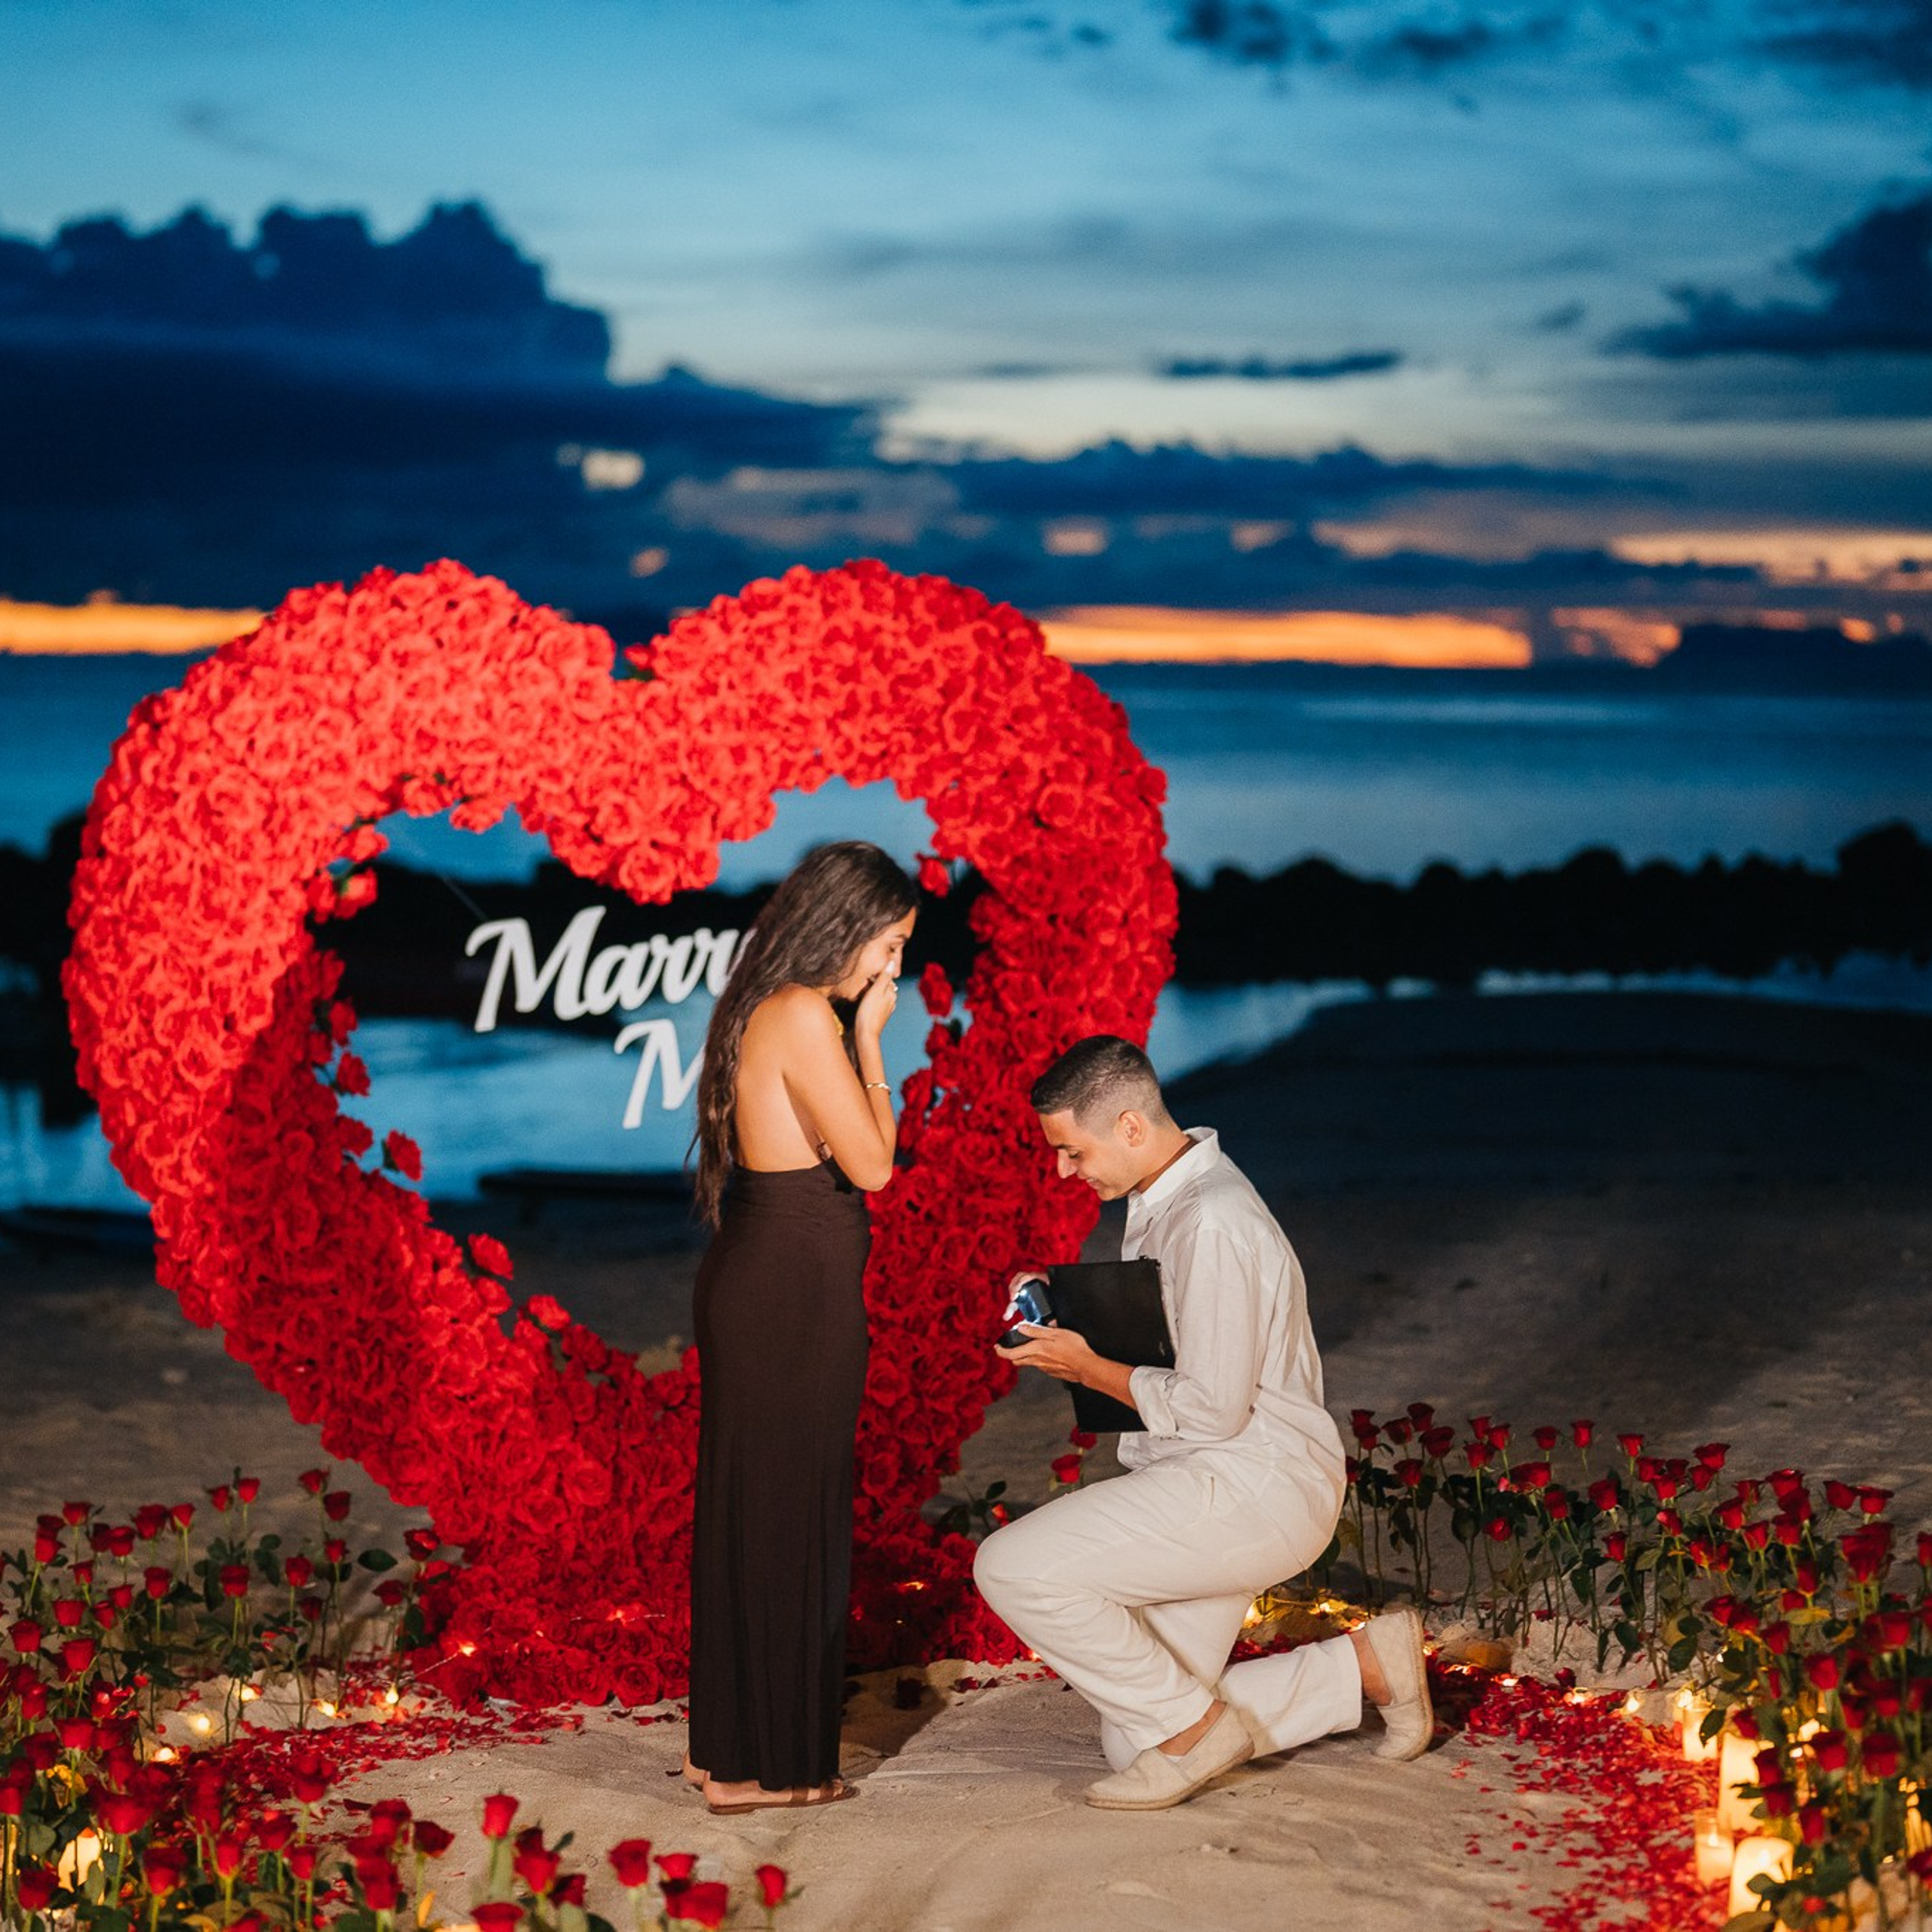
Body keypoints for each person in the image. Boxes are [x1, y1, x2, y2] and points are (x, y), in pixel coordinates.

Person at [974, 1035, 1432, 1810]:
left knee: (1010, 1567)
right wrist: (1059, 1296)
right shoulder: (1164, 1197)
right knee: (1134, 1735)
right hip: (1205, 1476)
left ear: (1127, 1126)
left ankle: (1198, 1731)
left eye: (1069, 1150)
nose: (1062, 1171)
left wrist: (1084, 1366)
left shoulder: (1210, 1218)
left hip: (1252, 1481)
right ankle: (1362, 1667)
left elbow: (1214, 1408)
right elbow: (1167, 1328)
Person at [682, 840, 916, 1815]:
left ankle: (727, 1752)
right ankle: (766, 1770)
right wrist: (871, 1040)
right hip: (790, 1292)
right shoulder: (806, 1018)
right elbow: (873, 1165)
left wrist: (858, 1034)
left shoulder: (761, 1006)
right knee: (788, 1513)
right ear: (851, 928)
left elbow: (851, 1153)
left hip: (764, 1278)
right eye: (892, 946)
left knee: (750, 1511)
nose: (892, 969)